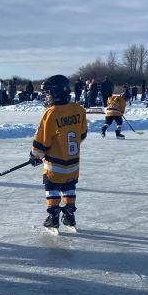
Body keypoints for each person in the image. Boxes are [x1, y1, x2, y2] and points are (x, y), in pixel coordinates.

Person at [28, 75, 88, 230]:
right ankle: (69, 216)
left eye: (47, 93)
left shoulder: (51, 114)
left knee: (52, 187)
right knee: (69, 187)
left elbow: (41, 141)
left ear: (56, 93)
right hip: (73, 163)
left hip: (55, 163)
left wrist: (36, 156)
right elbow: (82, 134)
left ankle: (53, 217)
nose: (46, 97)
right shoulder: (78, 110)